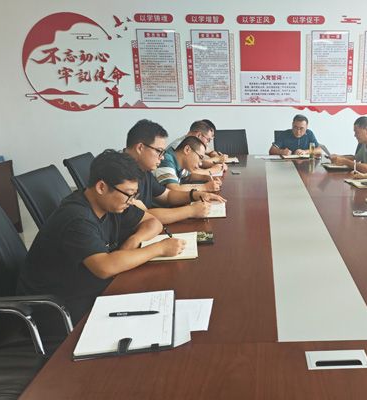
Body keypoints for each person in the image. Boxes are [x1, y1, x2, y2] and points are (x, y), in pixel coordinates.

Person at [16, 150, 186, 322]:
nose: (131, 201)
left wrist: (134, 240)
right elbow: (105, 267)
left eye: (134, 195)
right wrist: (159, 248)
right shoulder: (77, 218)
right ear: (101, 187)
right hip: (56, 309)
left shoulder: (112, 203)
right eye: (129, 194)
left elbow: (153, 222)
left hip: (89, 290)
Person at [124, 119, 225, 224]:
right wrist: (191, 210)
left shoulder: (143, 169)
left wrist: (195, 195)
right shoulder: (120, 175)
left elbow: (167, 195)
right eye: (159, 151)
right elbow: (145, 216)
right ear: (140, 148)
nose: (162, 157)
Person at [154, 136, 221, 192]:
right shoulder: (166, 159)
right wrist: (205, 187)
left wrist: (206, 178)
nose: (200, 163)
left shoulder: (180, 162)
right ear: (187, 149)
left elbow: (188, 177)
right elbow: (174, 189)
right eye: (200, 157)